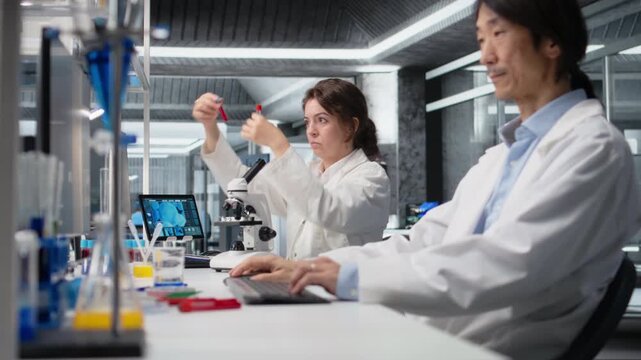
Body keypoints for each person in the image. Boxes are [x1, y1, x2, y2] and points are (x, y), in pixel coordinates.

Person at [230, 0, 641, 358]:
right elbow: (422, 241)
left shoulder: (593, 148)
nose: (486, 56)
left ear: (553, 42)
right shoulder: (504, 155)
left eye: (497, 34)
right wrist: (308, 268)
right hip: (437, 336)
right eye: (481, 40)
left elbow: (508, 264)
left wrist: (345, 276)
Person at [192, 79, 390, 259]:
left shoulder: (371, 177)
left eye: (322, 120)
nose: (311, 130)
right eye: (307, 121)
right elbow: (244, 187)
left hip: (343, 294)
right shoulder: (311, 174)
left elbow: (330, 210)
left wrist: (278, 144)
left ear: (350, 127)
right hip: (300, 286)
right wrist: (210, 126)